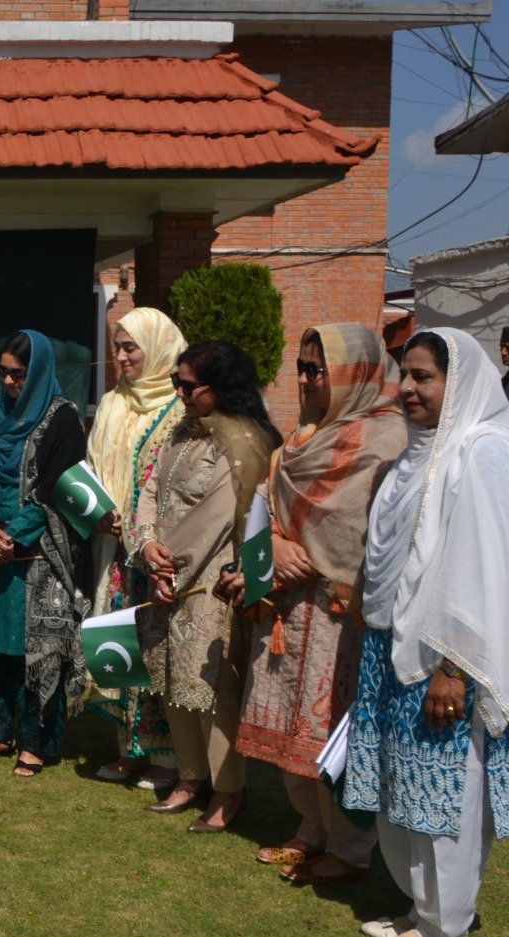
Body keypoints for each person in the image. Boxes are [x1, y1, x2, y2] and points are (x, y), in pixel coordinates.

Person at [216, 325, 405, 884]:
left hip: (344, 615)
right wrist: (271, 548)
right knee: (292, 730)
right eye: (300, 367)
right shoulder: (298, 439)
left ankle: (350, 848)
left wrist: (312, 558)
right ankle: (310, 831)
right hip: (286, 606)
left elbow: (373, 537)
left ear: (354, 374)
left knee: (334, 732)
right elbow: (262, 511)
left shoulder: (386, 442)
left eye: (315, 370)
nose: (303, 379)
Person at [344, 328, 509, 937]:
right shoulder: (416, 452)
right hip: (393, 646)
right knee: (403, 784)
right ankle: (422, 910)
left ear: (459, 383)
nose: (407, 389)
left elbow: (483, 573)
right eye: (404, 375)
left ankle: (447, 931)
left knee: (447, 790)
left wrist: (455, 667)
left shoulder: (482, 453)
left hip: (442, 659)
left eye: (425, 378)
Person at [130, 340, 280, 831]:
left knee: (215, 689)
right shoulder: (184, 431)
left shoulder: (242, 443)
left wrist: (170, 568)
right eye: (178, 382)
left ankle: (228, 791)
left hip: (213, 584)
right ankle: (191, 777)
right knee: (175, 680)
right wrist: (147, 546)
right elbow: (151, 490)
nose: (179, 393)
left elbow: (216, 519)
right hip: (168, 578)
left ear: (220, 387)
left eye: (189, 385)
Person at [0, 330, 90, 776]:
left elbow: (57, 490)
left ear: (37, 372)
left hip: (36, 554)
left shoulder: (63, 419)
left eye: (19, 374)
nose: (10, 382)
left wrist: (11, 535)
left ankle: (35, 741)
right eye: (3, 372)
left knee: (35, 644)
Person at [84, 309, 185, 788]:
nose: (121, 356)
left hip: (161, 551)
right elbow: (92, 468)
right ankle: (129, 748)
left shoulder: (182, 406)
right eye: (117, 347)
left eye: (131, 347)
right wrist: (95, 514)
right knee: (122, 640)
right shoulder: (110, 404)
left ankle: (167, 756)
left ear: (159, 347)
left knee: (157, 648)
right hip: (114, 545)